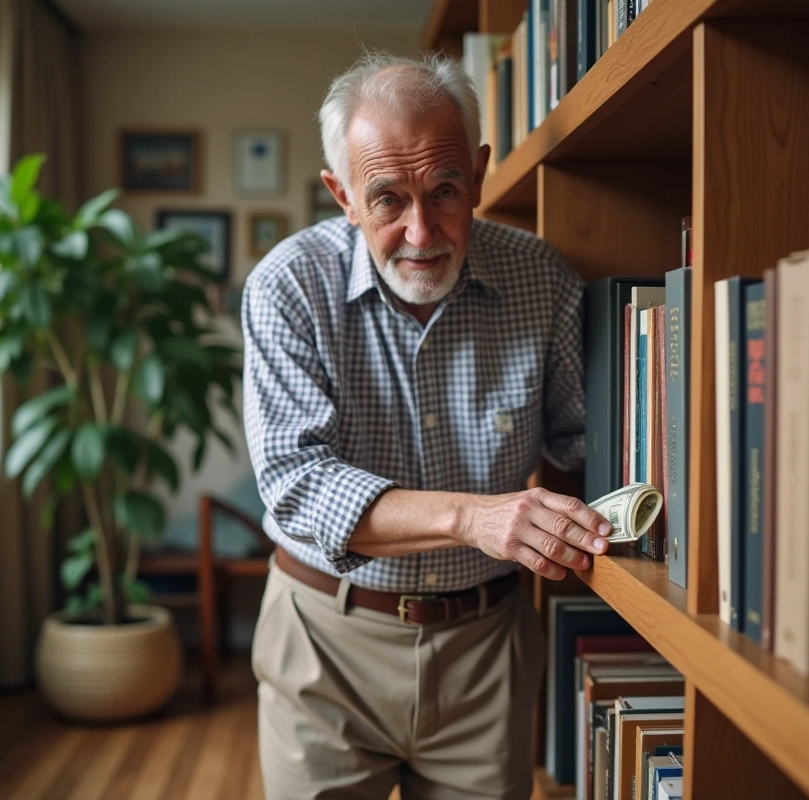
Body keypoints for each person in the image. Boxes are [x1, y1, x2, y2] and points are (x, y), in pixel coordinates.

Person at [241, 50, 611, 800]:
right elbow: (296, 488)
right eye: (387, 199)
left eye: (444, 190)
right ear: (341, 195)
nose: (420, 232)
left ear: (477, 174)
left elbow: (587, 449)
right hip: (324, 644)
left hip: (488, 650)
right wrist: (475, 518)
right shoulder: (287, 285)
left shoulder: (544, 281)